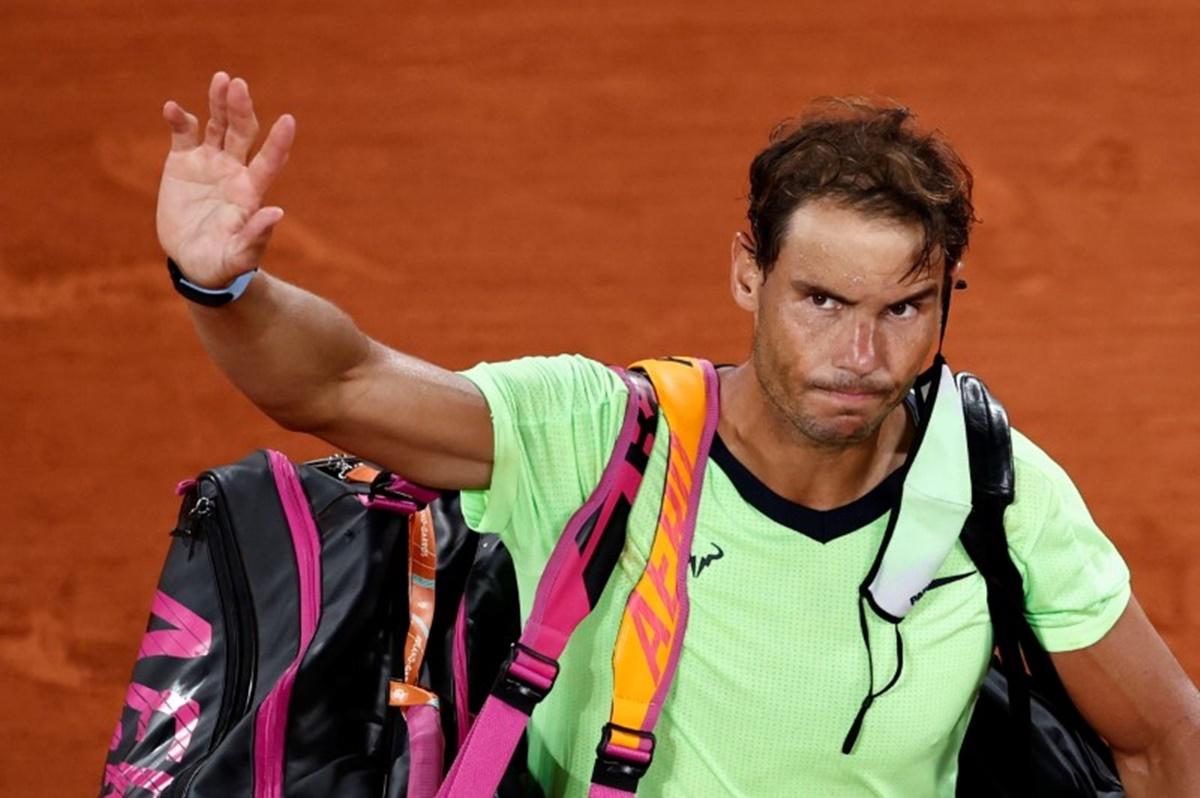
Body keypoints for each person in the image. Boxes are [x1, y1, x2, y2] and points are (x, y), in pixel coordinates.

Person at [156, 71, 1200, 796]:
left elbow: (1162, 739)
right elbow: (340, 382)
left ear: (945, 305)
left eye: (905, 309)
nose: (861, 356)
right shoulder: (600, 433)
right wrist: (222, 285)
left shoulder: (993, 483)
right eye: (823, 301)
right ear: (750, 272)